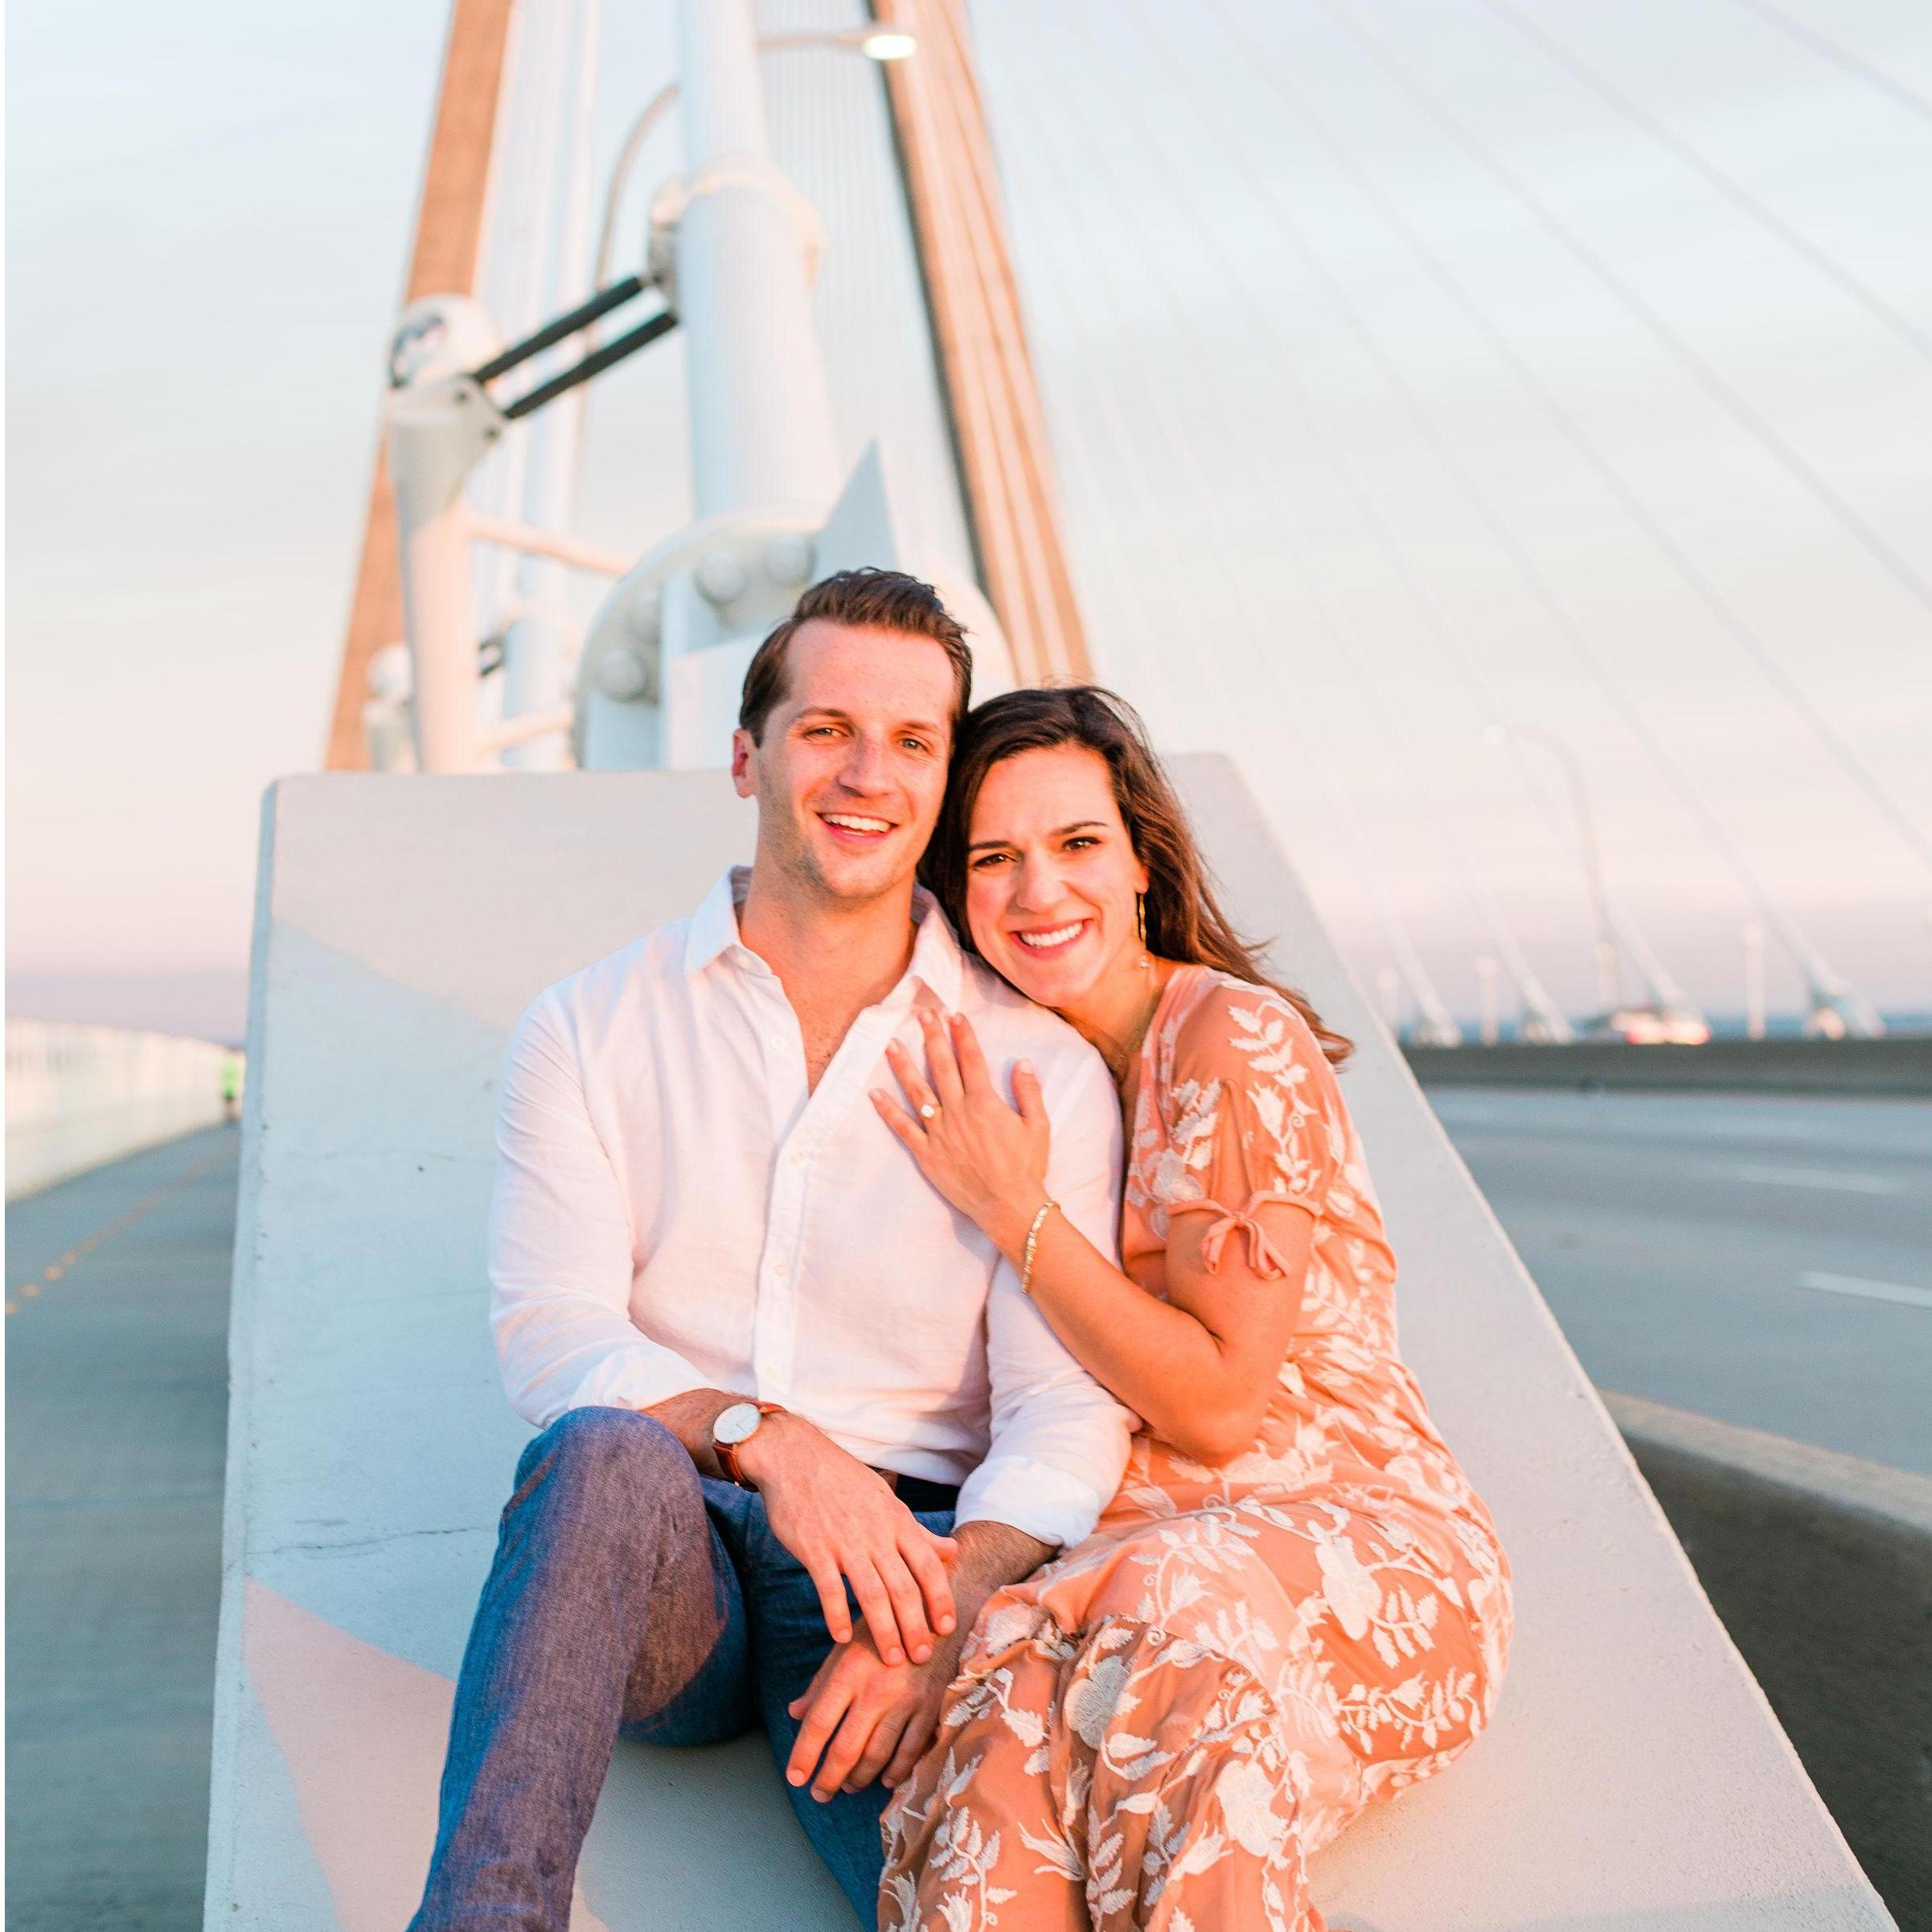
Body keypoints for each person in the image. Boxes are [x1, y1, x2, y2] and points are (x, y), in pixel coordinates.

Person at [408, 572, 1134, 1931]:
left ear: (945, 782)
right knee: (598, 1452)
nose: (868, 775)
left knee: (981, 1907)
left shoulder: (1034, 1065)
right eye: (826, 730)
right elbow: (553, 1334)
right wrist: (768, 1441)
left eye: (912, 742)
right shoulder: (592, 1025)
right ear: (748, 755)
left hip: (901, 1584)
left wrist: (954, 1604)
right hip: (666, 1553)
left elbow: (1062, 1406)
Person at [870, 687, 1512, 1932]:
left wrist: (1017, 1212)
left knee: (1162, 1624)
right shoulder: (1011, 1074)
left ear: (1142, 861)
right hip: (1116, 1578)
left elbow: (1220, 1408)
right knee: (996, 1746)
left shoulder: (1229, 1039)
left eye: (1077, 843)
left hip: (1346, 1549)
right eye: (993, 858)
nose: (1038, 891)